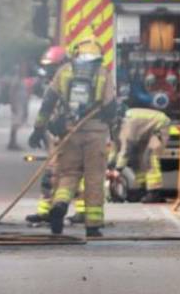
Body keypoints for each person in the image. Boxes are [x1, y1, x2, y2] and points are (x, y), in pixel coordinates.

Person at [28, 37, 116, 237]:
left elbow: (48, 102)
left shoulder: (64, 71)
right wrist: (112, 129)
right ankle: (93, 225)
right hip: (95, 134)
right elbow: (111, 106)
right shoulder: (103, 73)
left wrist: (38, 128)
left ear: (76, 53)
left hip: (69, 132)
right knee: (94, 177)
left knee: (68, 174)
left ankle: (59, 205)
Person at [25, 46, 67, 224]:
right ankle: (46, 211)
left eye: (52, 67)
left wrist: (39, 129)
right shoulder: (56, 82)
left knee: (57, 173)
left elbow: (48, 109)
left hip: (67, 135)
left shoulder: (64, 82)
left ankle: (51, 211)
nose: (48, 71)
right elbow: (46, 111)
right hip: (59, 134)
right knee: (55, 173)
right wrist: (40, 130)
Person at [112, 108, 169, 203]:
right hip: (145, 130)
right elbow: (116, 148)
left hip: (159, 126)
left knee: (149, 157)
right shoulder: (115, 127)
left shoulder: (127, 124)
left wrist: (118, 169)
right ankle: (143, 190)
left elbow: (126, 149)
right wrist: (111, 163)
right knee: (136, 158)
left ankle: (154, 192)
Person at [7, 63, 29, 150]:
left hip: (21, 104)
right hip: (17, 104)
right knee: (15, 123)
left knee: (17, 123)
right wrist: (13, 104)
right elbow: (11, 92)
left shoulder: (21, 80)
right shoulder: (16, 80)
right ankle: (12, 142)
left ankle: (12, 142)